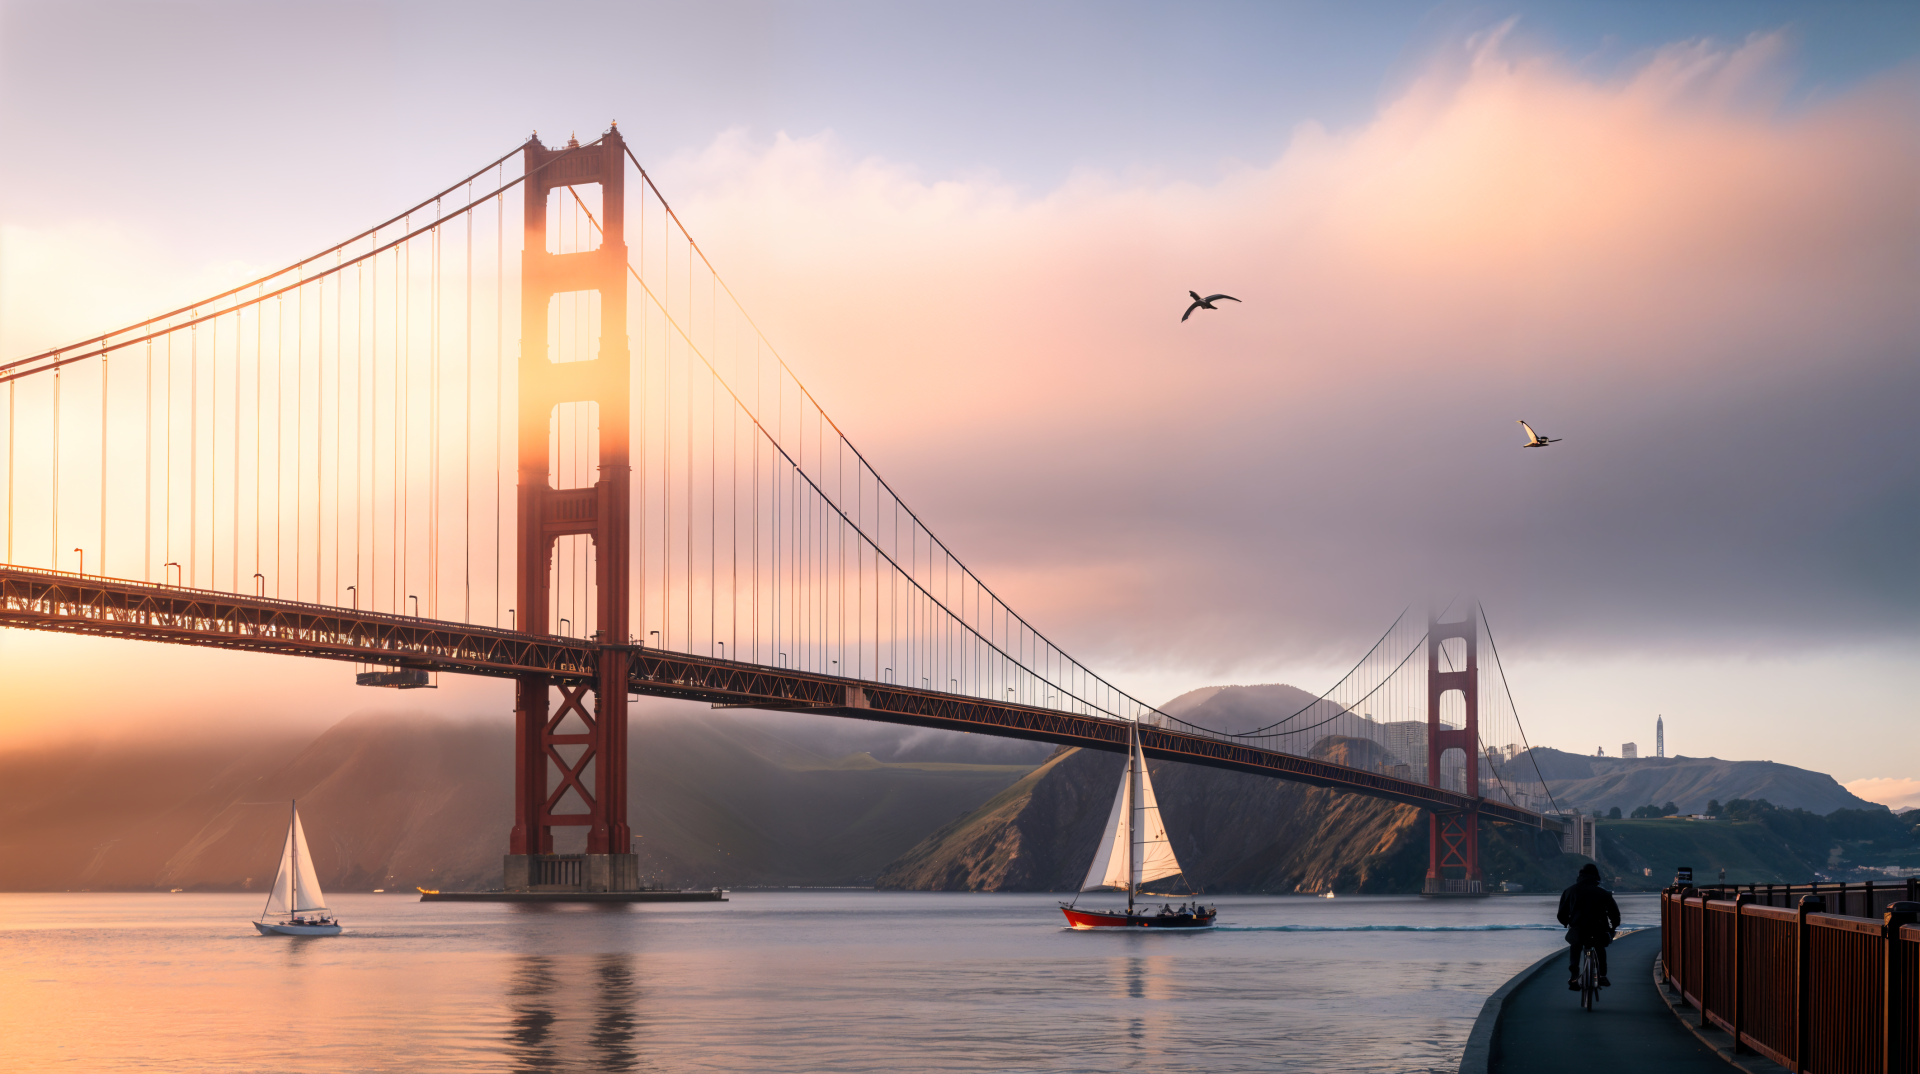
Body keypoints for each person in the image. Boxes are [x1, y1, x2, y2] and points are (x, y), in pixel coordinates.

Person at [1558, 862, 1621, 989]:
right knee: (1600, 948)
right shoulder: (1604, 893)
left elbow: (1561, 914)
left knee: (1575, 946)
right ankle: (1602, 976)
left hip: (1577, 929)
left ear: (1580, 876)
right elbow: (1614, 914)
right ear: (1597, 878)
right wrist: (1613, 927)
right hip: (1598, 930)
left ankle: (1574, 972)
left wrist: (1567, 924)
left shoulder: (1569, 891)